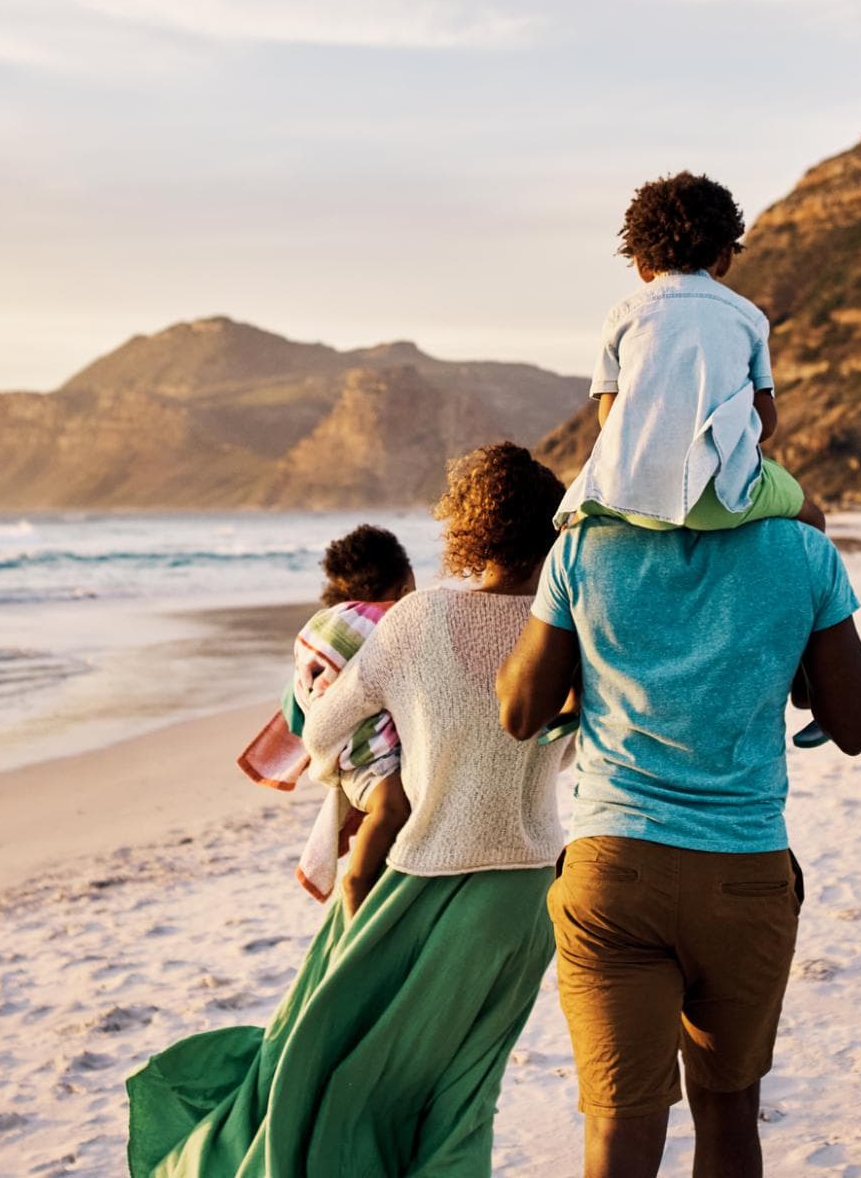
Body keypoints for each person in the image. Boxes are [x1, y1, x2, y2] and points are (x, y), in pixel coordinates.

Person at [129, 444, 573, 1177]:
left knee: (339, 1070)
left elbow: (324, 728)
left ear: (468, 530)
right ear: (548, 530)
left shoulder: (415, 621)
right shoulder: (566, 630)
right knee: (466, 1096)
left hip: (422, 882)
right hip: (525, 897)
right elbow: (560, 746)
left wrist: (377, 778)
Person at [498, 516, 861, 1178]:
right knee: (730, 1110)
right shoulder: (802, 548)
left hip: (613, 872)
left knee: (619, 1123)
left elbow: (519, 713)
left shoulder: (582, 547)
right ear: (756, 411)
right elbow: (856, 723)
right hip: (745, 873)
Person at [556, 171, 826, 536]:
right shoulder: (747, 318)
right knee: (811, 517)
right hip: (722, 502)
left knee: (572, 530)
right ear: (726, 257)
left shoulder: (623, 316)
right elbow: (766, 423)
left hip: (632, 499)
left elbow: (608, 417)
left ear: (640, 263)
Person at [235, 524, 416, 907]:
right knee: (393, 806)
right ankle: (356, 881)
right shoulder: (391, 622)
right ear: (402, 587)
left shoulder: (323, 628)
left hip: (339, 756)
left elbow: (295, 705)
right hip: (369, 755)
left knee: (385, 818)